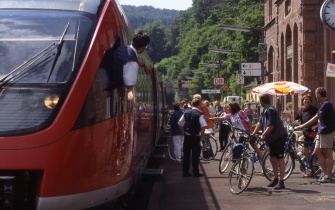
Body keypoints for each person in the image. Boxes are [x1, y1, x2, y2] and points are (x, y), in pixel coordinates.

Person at [296, 87, 335, 183]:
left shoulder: (326, 104)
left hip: (326, 132)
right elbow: (320, 119)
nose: (316, 97)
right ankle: (324, 173)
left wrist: (303, 125)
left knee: (328, 153)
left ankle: (328, 176)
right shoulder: (323, 104)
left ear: (318, 95)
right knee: (317, 152)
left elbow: (317, 117)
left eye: (316, 95)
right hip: (321, 132)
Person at [251, 94, 287, 189]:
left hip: (278, 137)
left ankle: (281, 181)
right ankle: (275, 178)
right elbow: (260, 123)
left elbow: (271, 126)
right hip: (272, 139)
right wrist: (253, 133)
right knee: (272, 158)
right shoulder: (265, 110)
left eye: (260, 101)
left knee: (280, 159)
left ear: (262, 101)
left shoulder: (271, 111)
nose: (260, 103)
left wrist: (263, 135)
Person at [178, 98, 207, 177]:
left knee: (186, 154)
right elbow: (203, 126)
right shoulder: (199, 114)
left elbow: (180, 124)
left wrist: (184, 133)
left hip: (187, 136)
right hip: (196, 136)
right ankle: (195, 172)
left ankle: (185, 172)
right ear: (199, 104)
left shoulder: (186, 112)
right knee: (195, 155)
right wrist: (201, 136)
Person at [296, 95, 318, 177]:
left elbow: (318, 119)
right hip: (305, 133)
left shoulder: (314, 109)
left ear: (311, 101)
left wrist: (315, 126)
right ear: (302, 101)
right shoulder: (302, 110)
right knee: (305, 152)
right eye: (305, 99)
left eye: (308, 99)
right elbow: (297, 119)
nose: (306, 101)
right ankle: (311, 164)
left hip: (313, 132)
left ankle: (313, 168)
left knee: (312, 152)